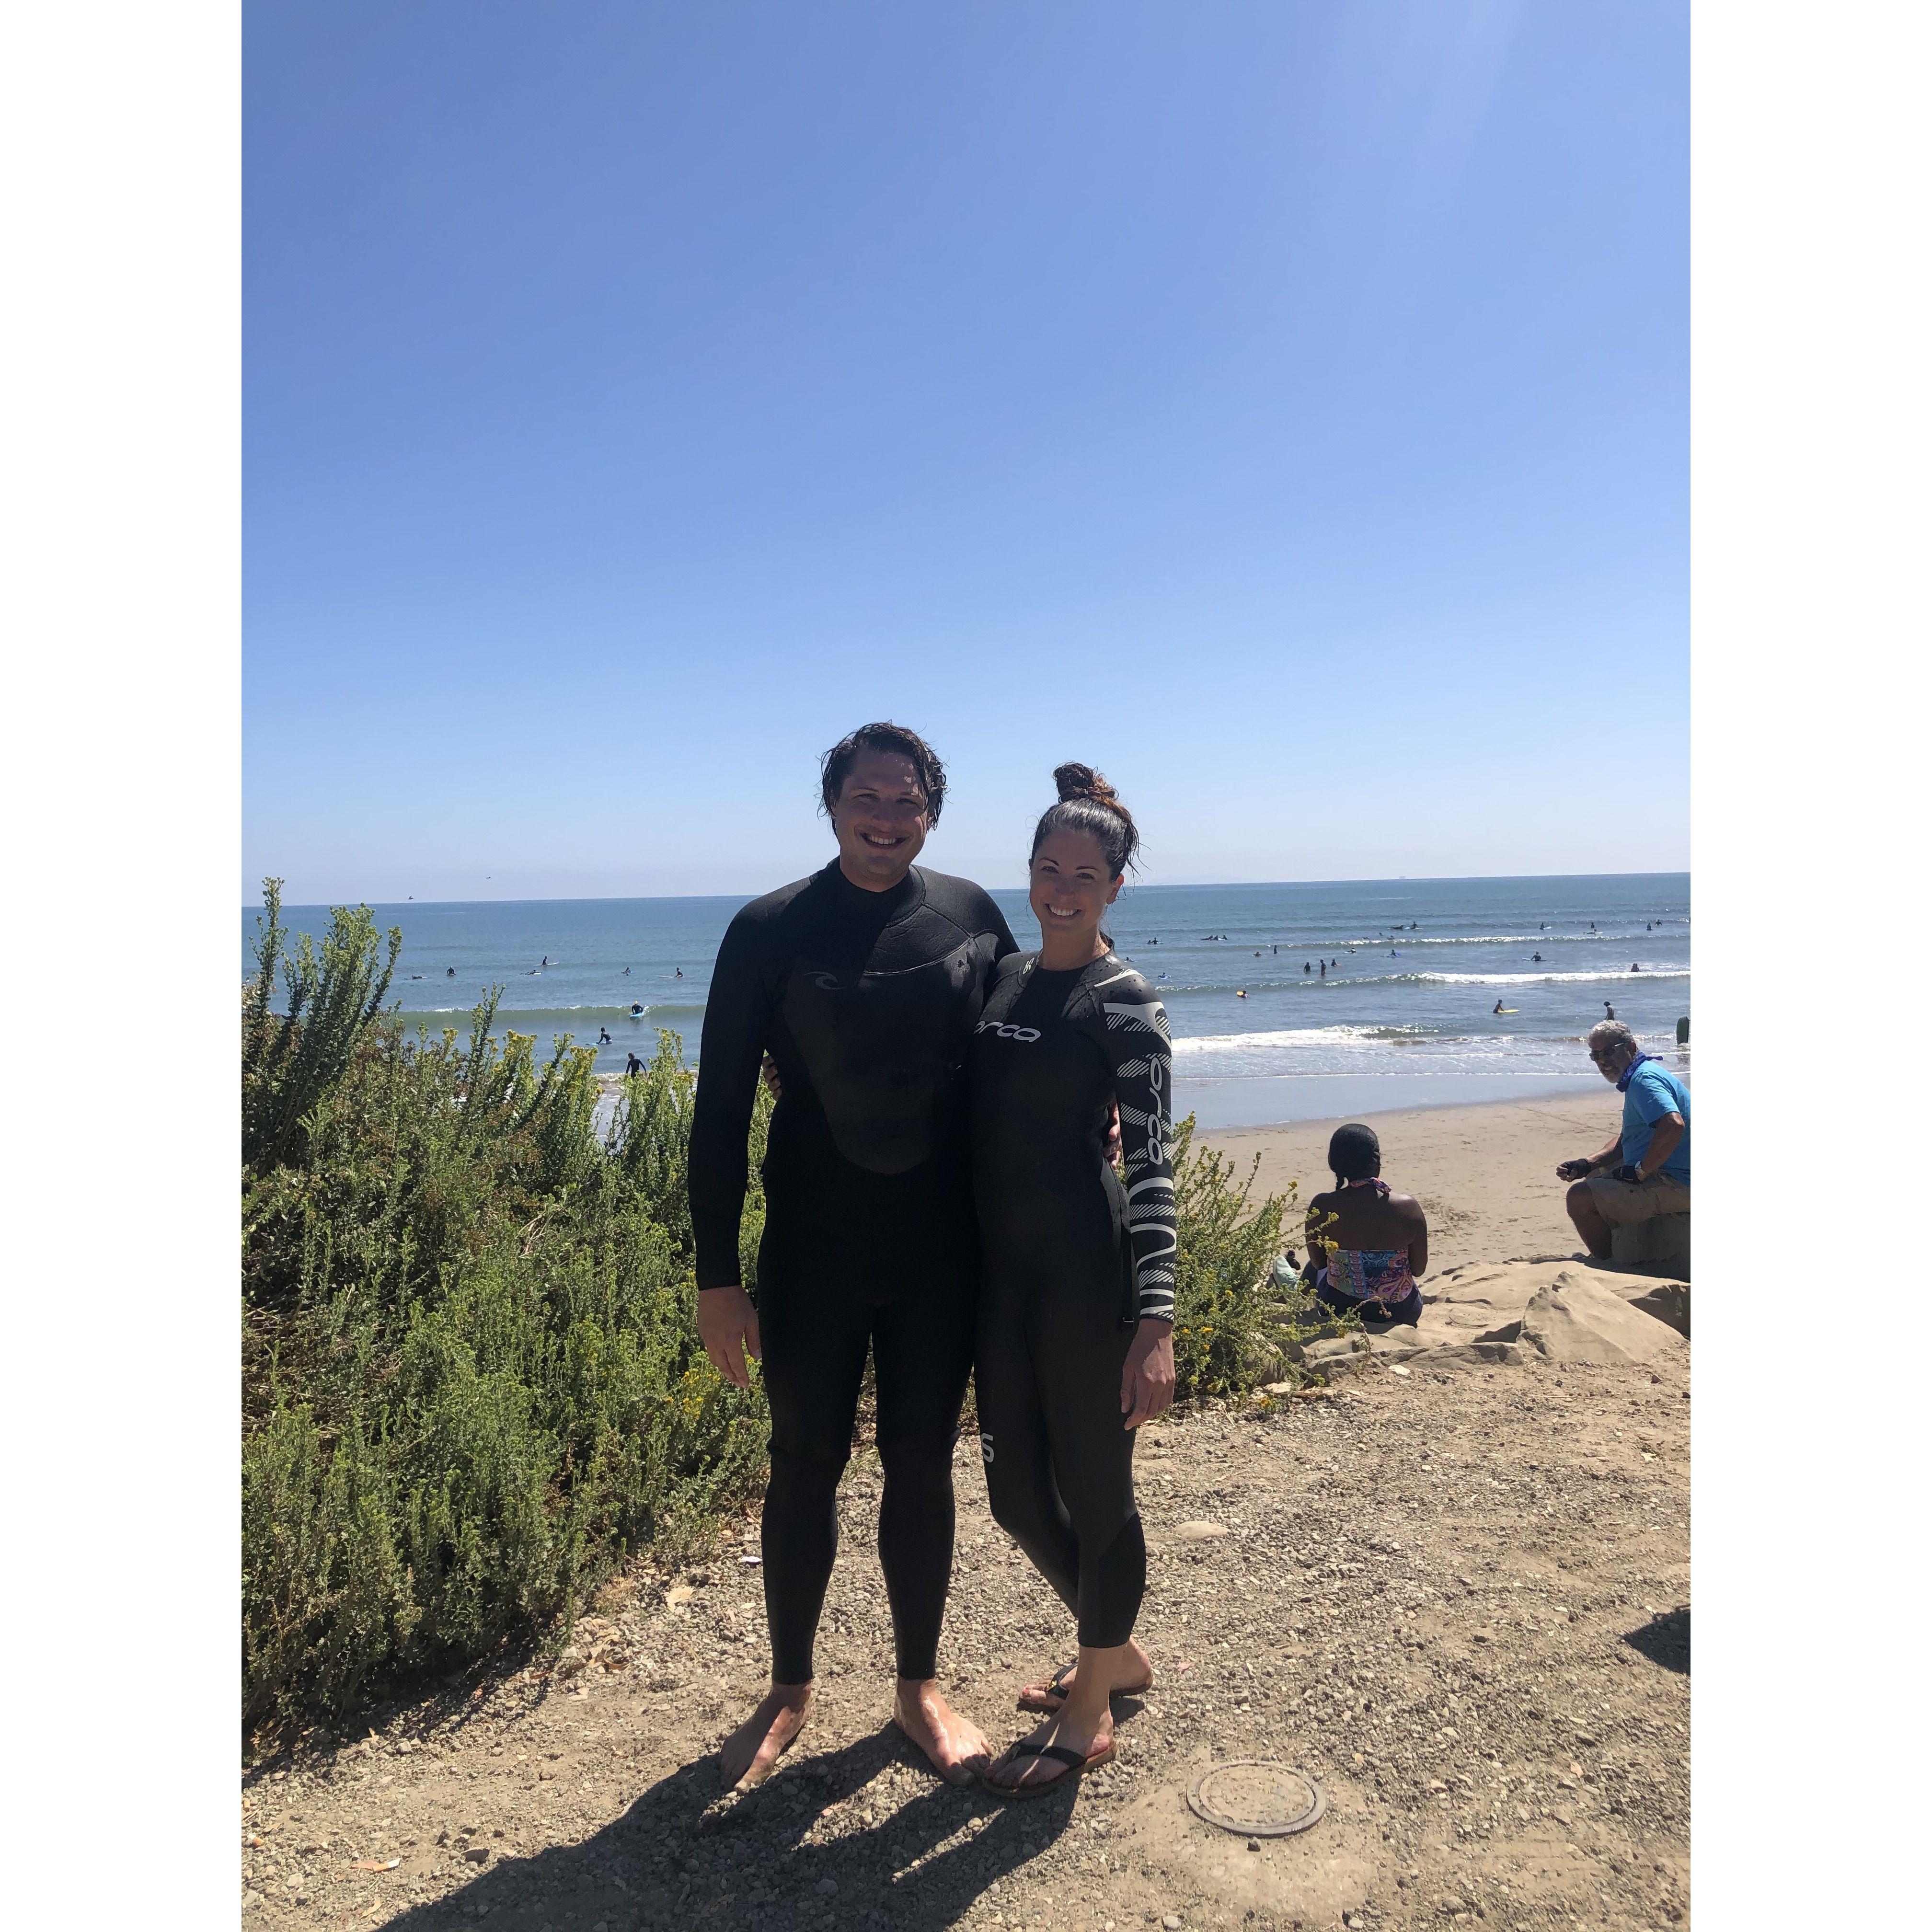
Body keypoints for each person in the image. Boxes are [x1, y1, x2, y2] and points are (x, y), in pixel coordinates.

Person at [688, 722, 1017, 1789]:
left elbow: (1030, 1049)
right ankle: (788, 1690)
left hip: (941, 1254)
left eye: (908, 801)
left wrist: (1102, 1112)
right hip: (812, 1256)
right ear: (831, 806)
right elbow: (719, 1111)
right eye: (867, 799)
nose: (887, 818)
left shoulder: (970, 916)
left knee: (922, 1466)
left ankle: (918, 1687)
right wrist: (716, 1279)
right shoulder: (769, 929)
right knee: (804, 1466)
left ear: (932, 813)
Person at [970, 766, 1174, 1794]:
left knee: (1099, 1495)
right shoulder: (1004, 979)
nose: (1060, 888)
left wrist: (1157, 1322)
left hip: (1088, 1281)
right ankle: (1117, 1650)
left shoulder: (1125, 1004)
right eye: (1047, 867)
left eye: (1084, 875)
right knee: (1014, 1498)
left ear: (1115, 884)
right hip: (1001, 1283)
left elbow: (1151, 1165)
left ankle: (1094, 1704)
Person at [1556, 1020, 1690, 1257]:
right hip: (1676, 1170)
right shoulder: (1642, 1074)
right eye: (1595, 1056)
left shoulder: (1644, 1082)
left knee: (1579, 1198)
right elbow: (1629, 1137)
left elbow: (1672, 1125)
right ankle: (1627, 1245)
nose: (1602, 1061)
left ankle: (1606, 1265)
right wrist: (1588, 1162)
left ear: (1631, 1047)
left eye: (1609, 1052)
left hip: (1681, 1181)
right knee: (1597, 1173)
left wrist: (1641, 1171)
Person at [1301, 1125, 1427, 1325]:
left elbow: (1319, 1264)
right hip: (1402, 1312)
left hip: (1339, 1307)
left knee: (1312, 1266)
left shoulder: (1322, 1205)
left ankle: (1294, 1299)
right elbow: (1419, 1269)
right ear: (1377, 1160)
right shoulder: (1408, 1207)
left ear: (1334, 1164)